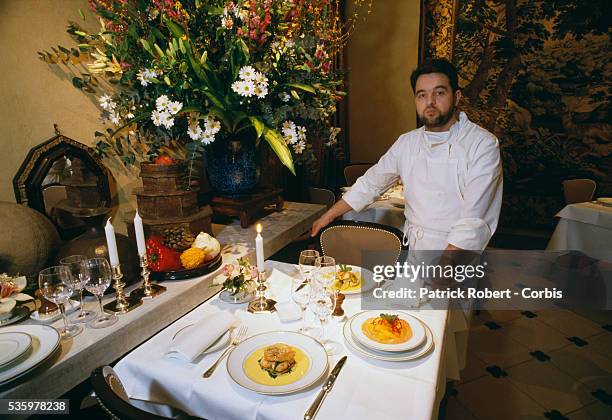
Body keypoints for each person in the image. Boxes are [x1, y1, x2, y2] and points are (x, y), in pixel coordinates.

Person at [311, 58, 502, 251]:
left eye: (439, 93)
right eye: (422, 95)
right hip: (415, 249)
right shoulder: (407, 142)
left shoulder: (482, 144)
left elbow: (473, 222)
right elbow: (371, 183)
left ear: (457, 96)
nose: (430, 102)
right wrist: (329, 215)